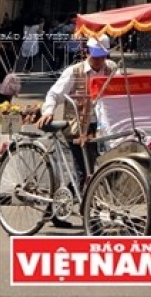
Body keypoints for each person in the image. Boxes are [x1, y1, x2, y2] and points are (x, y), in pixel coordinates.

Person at [37, 34, 117, 189]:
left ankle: (82, 201)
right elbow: (54, 94)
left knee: (103, 167)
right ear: (87, 52)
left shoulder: (111, 69)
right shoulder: (74, 72)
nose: (98, 61)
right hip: (77, 126)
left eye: (101, 57)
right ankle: (67, 205)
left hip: (102, 126)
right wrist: (48, 111)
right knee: (84, 171)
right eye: (95, 56)